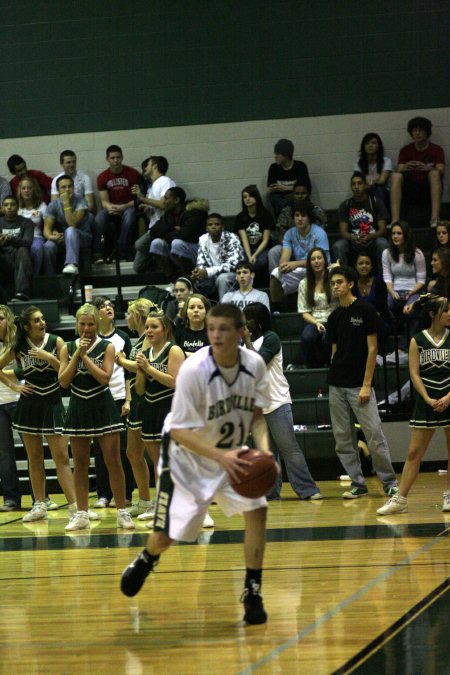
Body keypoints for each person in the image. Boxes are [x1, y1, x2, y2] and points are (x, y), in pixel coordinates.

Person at [121, 303, 275, 626]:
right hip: (186, 460)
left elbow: (258, 417)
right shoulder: (195, 370)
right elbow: (177, 430)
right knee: (167, 537)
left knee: (257, 510)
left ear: (240, 332)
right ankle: (148, 558)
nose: (216, 335)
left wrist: (265, 453)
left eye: (224, 329)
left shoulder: (255, 366)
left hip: (230, 456)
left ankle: (253, 589)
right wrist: (221, 456)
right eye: (211, 328)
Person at [59, 303, 133, 531]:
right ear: (77, 324)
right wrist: (76, 355)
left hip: (103, 404)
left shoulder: (107, 346)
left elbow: (104, 378)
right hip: (79, 405)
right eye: (82, 324)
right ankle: (81, 513)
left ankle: (122, 511)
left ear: (97, 324)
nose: (87, 328)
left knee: (113, 460)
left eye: (91, 324)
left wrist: (86, 358)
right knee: (80, 463)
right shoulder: (67, 347)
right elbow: (63, 381)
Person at [0, 306, 77, 523]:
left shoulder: (56, 342)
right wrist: (14, 387)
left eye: (43, 319)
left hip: (52, 402)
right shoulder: (20, 346)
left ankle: (75, 508)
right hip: (30, 404)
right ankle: (39, 504)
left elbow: (66, 371)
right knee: (34, 458)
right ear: (26, 327)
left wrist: (47, 357)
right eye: (36, 320)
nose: (42, 323)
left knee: (61, 457)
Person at [327, 266, 398, 499]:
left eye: (339, 282)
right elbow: (334, 351)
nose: (335, 286)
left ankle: (389, 482)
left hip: (359, 384)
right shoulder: (334, 316)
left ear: (350, 284)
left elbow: (372, 349)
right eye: (333, 283)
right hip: (336, 384)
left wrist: (367, 384)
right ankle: (358, 483)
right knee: (343, 438)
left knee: (374, 435)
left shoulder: (365, 310)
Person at [377, 295, 450, 515]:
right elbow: (414, 373)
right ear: (433, 314)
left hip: (448, 397)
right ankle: (400, 499)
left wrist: (448, 397)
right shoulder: (417, 340)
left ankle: (449, 495)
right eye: (446, 310)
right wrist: (428, 398)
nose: (449, 313)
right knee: (414, 452)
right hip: (426, 400)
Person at [243, 302, 322, 500]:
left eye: (249, 318)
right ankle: (270, 493)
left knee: (289, 448)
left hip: (277, 401)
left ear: (259, 320)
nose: (245, 322)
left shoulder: (272, 338)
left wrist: (245, 340)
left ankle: (308, 490)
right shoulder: (245, 343)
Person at [134, 311, 185, 527]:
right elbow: (139, 390)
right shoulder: (146, 352)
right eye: (147, 327)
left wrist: (148, 368)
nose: (149, 331)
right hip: (150, 408)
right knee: (156, 461)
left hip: (170, 409)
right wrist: (140, 371)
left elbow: (174, 382)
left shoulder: (173, 350)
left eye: (154, 326)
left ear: (165, 329)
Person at [91, 296, 135, 509]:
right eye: (103, 306)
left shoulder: (123, 337)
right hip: (98, 398)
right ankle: (103, 493)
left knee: (123, 449)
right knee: (100, 450)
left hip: (118, 399)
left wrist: (128, 399)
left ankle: (126, 493)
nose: (108, 308)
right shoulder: (90, 338)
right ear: (96, 312)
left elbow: (128, 372)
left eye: (110, 306)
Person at [115, 298, 157, 520]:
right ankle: (144, 501)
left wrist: (121, 360)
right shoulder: (138, 339)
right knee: (132, 452)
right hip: (136, 400)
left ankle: (158, 504)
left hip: (150, 399)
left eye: (129, 314)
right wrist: (129, 400)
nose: (126, 318)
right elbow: (132, 376)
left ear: (138, 315)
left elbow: (142, 366)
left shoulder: (149, 338)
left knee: (153, 454)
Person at [269, 202, 330, 310]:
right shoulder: (289, 233)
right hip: (300, 270)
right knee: (275, 273)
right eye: (297, 215)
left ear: (309, 218)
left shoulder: (319, 233)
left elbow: (324, 260)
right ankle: (277, 309)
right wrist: (283, 265)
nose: (300, 219)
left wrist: (296, 263)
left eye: (303, 216)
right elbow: (285, 256)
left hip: (318, 269)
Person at [382, 221, 426, 362]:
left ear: (405, 235)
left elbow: (421, 279)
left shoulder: (417, 253)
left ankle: (402, 348)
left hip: (413, 290)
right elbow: (387, 276)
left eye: (399, 233)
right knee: (387, 305)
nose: (395, 236)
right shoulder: (387, 253)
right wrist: (392, 291)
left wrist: (411, 293)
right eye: (393, 233)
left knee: (412, 311)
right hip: (395, 289)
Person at [390, 117, 445, 228]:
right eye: (415, 130)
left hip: (427, 185)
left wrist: (427, 168)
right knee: (395, 175)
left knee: (434, 173)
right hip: (410, 186)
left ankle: (434, 218)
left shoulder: (436, 149)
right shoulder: (405, 150)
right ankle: (395, 221)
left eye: (420, 130)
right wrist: (406, 167)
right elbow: (399, 168)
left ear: (427, 132)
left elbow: (441, 170)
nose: (417, 133)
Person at [332, 172, 388, 272]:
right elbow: (343, 231)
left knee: (383, 243)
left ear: (365, 185)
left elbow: (383, 230)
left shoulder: (375, 202)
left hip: (372, 239)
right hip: (353, 241)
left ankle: (383, 279)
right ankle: (344, 277)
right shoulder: (346, 205)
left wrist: (370, 236)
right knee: (338, 246)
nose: (356, 187)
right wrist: (352, 237)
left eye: (359, 183)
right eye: (353, 184)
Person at [93, 145, 140, 262]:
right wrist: (111, 207)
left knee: (129, 215)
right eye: (112, 158)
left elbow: (138, 199)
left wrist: (123, 206)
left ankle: (122, 251)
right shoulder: (102, 177)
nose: (115, 160)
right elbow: (104, 201)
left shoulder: (133, 174)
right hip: (111, 207)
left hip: (128, 206)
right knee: (99, 218)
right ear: (107, 159)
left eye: (118, 157)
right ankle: (99, 253)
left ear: (122, 158)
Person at [43, 174, 93, 274]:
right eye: (63, 187)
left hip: (83, 237)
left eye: (70, 186)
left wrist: (66, 204)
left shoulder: (81, 201)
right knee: (48, 246)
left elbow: (72, 224)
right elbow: (46, 229)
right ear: (58, 190)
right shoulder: (53, 205)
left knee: (70, 230)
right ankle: (50, 277)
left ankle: (72, 264)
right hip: (62, 238)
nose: (67, 189)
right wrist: (53, 237)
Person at [297, 247, 337, 368]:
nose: (316, 261)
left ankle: (330, 364)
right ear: (309, 263)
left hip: (334, 319)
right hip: (315, 320)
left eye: (319, 258)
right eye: (313, 259)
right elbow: (304, 311)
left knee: (327, 338)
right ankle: (312, 366)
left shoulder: (333, 279)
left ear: (325, 260)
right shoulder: (304, 283)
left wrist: (339, 270)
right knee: (307, 336)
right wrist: (316, 323)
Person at [0, 305, 22, 511]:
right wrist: (11, 381)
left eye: (0, 318)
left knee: (33, 452)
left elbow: (24, 368)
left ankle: (40, 498)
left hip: (20, 400)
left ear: (8, 320)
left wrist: (13, 383)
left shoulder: (18, 342)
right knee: (5, 454)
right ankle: (11, 497)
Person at [192, 213, 244, 300]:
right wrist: (198, 271)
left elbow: (233, 265)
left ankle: (224, 311)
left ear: (222, 227)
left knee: (222, 278)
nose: (213, 227)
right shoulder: (203, 240)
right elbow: (201, 262)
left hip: (235, 274)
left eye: (217, 224)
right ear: (206, 228)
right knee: (197, 279)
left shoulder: (231, 238)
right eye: (210, 225)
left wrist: (208, 271)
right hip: (213, 275)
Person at [234, 185, 274, 284]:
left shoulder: (266, 215)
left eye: (250, 196)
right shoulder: (241, 217)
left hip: (262, 250)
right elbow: (244, 240)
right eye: (245, 197)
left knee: (259, 262)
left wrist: (255, 255)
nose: (247, 199)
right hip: (247, 250)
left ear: (256, 197)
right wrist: (249, 256)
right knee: (243, 264)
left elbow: (265, 240)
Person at [0, 195, 33, 301]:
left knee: (23, 250)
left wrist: (10, 238)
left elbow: (28, 242)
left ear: (18, 207)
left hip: (19, 260)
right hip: (3, 259)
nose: (9, 207)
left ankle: (21, 292)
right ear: (2, 208)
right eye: (6, 205)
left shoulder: (26, 222)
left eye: (12, 204)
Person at [266, 139, 311, 216]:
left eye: (278, 154)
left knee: (297, 196)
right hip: (279, 200)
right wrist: (271, 189)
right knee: (272, 198)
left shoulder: (300, 166)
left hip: (294, 199)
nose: (275, 156)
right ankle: (282, 220)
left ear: (286, 154)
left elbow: (307, 187)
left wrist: (286, 188)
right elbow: (269, 189)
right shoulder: (273, 167)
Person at [131, 156, 175, 230]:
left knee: (139, 242)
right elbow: (156, 211)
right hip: (154, 227)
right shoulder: (152, 186)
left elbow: (164, 205)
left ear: (155, 166)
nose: (145, 168)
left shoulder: (165, 181)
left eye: (148, 165)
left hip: (163, 227)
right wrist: (148, 208)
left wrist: (142, 198)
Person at [17, 176, 47, 276]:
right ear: (20, 191)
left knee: (37, 248)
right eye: (24, 188)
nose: (26, 191)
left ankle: (35, 277)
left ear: (34, 190)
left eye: (29, 188)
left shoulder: (42, 205)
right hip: (19, 237)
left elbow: (48, 225)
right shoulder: (16, 206)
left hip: (36, 237)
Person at [354, 133, 392, 209]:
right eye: (367, 143)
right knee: (358, 191)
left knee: (378, 190)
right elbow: (358, 180)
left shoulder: (386, 161)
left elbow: (382, 181)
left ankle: (382, 218)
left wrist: (371, 182)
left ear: (379, 146)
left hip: (382, 190)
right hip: (365, 189)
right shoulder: (358, 163)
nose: (370, 145)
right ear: (363, 147)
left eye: (373, 143)